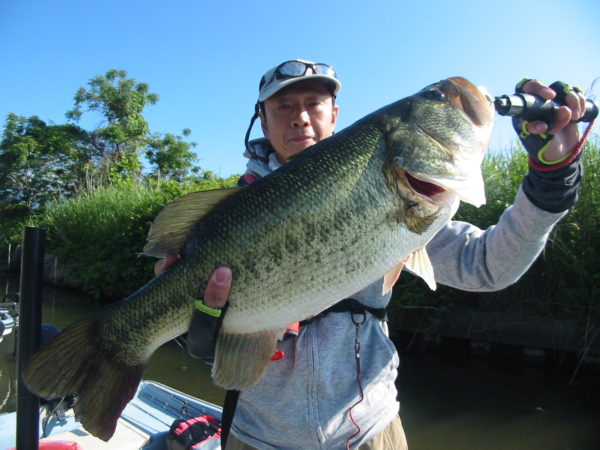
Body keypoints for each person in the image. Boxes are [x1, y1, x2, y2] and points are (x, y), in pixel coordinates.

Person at [155, 59, 589, 449]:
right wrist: (204, 337)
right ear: (263, 123)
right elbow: (208, 339)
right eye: (283, 107)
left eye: (313, 104)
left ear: (334, 115)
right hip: (255, 436)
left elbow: (488, 266)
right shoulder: (226, 218)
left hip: (369, 434)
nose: (300, 117)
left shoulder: (396, 190)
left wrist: (551, 181)